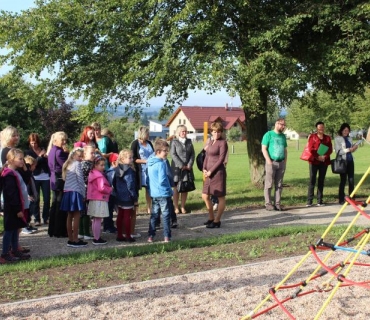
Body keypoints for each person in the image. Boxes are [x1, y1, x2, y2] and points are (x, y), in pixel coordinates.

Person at [1, 149, 31, 262]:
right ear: (11, 160)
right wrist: (17, 209)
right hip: (12, 208)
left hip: (17, 206)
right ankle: (4, 254)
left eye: (23, 158)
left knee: (15, 229)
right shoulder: (8, 174)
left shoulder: (15, 172)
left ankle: (15, 250)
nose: (22, 161)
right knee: (9, 230)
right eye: (20, 159)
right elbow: (11, 194)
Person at [201, 122, 228, 228]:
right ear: (211, 132)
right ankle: (211, 217)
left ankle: (217, 221)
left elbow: (221, 159)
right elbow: (206, 157)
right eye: (215, 131)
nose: (217, 134)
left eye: (219, 132)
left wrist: (211, 171)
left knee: (220, 197)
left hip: (218, 173)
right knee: (205, 195)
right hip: (208, 173)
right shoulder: (210, 142)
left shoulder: (223, 143)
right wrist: (204, 168)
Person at [109, 149, 138, 243]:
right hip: (128, 196)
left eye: (132, 157)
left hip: (119, 196)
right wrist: (134, 196)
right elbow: (130, 184)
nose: (132, 159)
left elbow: (113, 182)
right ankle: (128, 235)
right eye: (129, 158)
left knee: (120, 215)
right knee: (127, 216)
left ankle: (120, 235)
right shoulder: (129, 171)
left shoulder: (116, 169)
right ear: (123, 158)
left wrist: (117, 191)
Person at [60, 148, 87, 248]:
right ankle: (75, 240)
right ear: (74, 155)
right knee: (77, 216)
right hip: (75, 192)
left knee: (69, 216)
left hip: (67, 192)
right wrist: (83, 194)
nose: (81, 158)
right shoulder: (77, 164)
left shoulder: (67, 164)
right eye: (79, 156)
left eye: (82, 156)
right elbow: (80, 180)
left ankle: (70, 239)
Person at [147, 139, 173, 243]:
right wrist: (170, 190)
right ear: (158, 152)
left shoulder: (150, 162)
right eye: (165, 151)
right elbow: (162, 180)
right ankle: (166, 236)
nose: (167, 153)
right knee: (166, 215)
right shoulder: (161, 164)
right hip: (163, 193)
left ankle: (151, 236)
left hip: (154, 194)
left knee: (154, 215)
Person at [261, 118, 288, 211]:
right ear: (276, 124)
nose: (283, 126)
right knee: (269, 184)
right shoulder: (268, 135)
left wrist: (285, 161)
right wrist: (268, 161)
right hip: (271, 162)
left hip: (281, 162)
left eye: (284, 125)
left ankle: (277, 203)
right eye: (282, 124)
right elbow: (264, 148)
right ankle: (268, 204)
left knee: (279, 184)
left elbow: (285, 150)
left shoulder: (283, 136)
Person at [47, 131, 69, 238]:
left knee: (55, 205)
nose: (64, 142)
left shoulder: (52, 150)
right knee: (60, 206)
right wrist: (68, 154)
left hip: (54, 179)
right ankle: (59, 231)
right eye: (62, 140)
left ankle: (52, 229)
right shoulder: (59, 152)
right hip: (59, 180)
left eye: (65, 140)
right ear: (55, 140)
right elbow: (66, 165)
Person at [25, 133, 50, 225]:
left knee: (47, 199)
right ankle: (37, 218)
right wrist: (40, 156)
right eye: (32, 143)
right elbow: (33, 162)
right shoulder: (28, 152)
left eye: (35, 143)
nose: (34, 145)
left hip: (45, 176)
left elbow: (47, 162)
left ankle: (46, 217)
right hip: (35, 176)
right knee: (36, 198)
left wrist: (46, 157)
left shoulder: (43, 149)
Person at [87, 156, 112, 245]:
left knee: (95, 219)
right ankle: (97, 238)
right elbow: (101, 188)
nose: (103, 167)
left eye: (104, 165)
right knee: (98, 219)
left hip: (93, 198)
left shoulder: (92, 173)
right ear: (95, 165)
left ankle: (95, 236)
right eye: (101, 165)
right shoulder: (99, 176)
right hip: (100, 199)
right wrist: (110, 189)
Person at [306, 121, 333, 207]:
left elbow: (330, 149)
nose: (321, 129)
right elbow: (311, 149)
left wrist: (324, 156)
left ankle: (319, 200)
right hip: (314, 161)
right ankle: (309, 201)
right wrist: (317, 157)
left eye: (322, 127)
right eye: (319, 128)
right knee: (312, 180)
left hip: (324, 161)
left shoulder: (327, 138)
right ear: (316, 128)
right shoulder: (312, 137)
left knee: (321, 180)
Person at [170, 125, 195, 214]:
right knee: (176, 188)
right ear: (178, 132)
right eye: (182, 131)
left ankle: (183, 206)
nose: (184, 133)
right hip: (177, 169)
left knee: (185, 188)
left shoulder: (189, 141)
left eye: (185, 131)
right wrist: (181, 165)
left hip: (187, 168)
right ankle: (176, 207)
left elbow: (192, 154)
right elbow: (173, 155)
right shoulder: (174, 142)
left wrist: (189, 164)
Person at [131, 126, 154, 216]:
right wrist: (145, 161)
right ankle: (136, 209)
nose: (149, 135)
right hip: (139, 170)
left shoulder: (149, 143)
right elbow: (133, 158)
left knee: (149, 189)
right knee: (136, 189)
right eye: (148, 134)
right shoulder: (135, 143)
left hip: (150, 169)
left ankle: (149, 207)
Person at [334, 123, 358, 205]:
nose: (346, 132)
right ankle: (341, 199)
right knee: (343, 181)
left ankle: (352, 198)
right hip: (342, 162)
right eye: (345, 130)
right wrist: (349, 149)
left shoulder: (350, 138)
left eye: (347, 130)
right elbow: (338, 152)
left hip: (350, 160)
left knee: (351, 180)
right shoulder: (337, 139)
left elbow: (352, 150)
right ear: (341, 130)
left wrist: (354, 148)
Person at [78, 144, 96, 240]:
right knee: (85, 212)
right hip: (85, 190)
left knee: (82, 212)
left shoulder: (87, 164)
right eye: (91, 153)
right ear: (84, 154)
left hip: (84, 190)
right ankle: (86, 233)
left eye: (94, 153)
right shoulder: (86, 164)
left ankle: (81, 232)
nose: (93, 155)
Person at [23, 155, 39, 234]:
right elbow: (28, 186)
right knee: (27, 212)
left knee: (31, 211)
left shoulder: (30, 174)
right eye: (34, 166)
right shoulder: (27, 175)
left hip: (31, 195)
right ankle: (25, 226)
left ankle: (28, 224)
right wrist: (29, 195)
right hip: (29, 196)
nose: (35, 168)